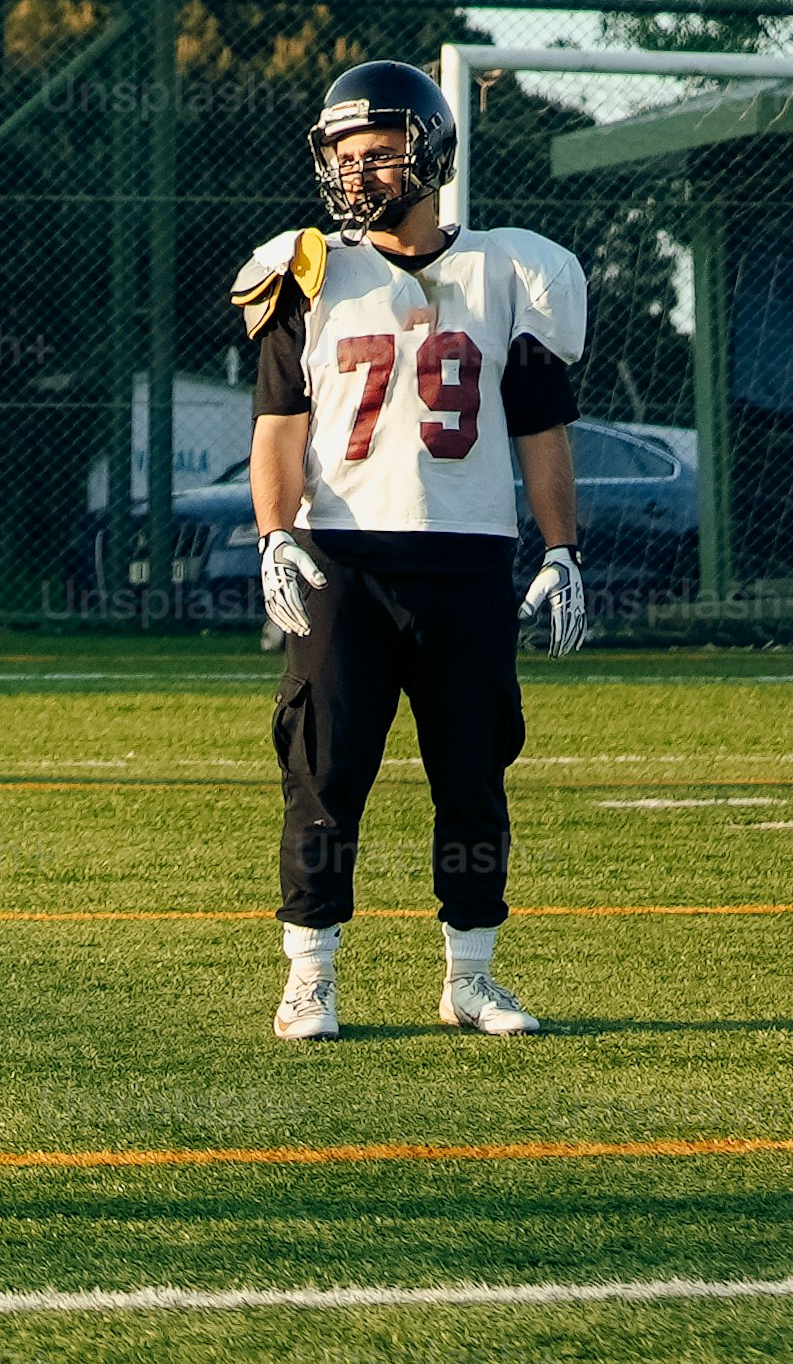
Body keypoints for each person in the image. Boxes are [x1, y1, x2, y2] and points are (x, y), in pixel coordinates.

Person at [236, 59, 592, 1041]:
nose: (357, 173)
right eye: (344, 155)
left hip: (470, 560)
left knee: (473, 771)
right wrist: (273, 534)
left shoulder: (512, 273)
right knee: (324, 770)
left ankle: (470, 975)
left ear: (430, 152)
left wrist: (561, 550)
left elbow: (540, 432)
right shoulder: (305, 274)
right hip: (342, 560)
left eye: (379, 152)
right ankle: (310, 974)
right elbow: (277, 430)